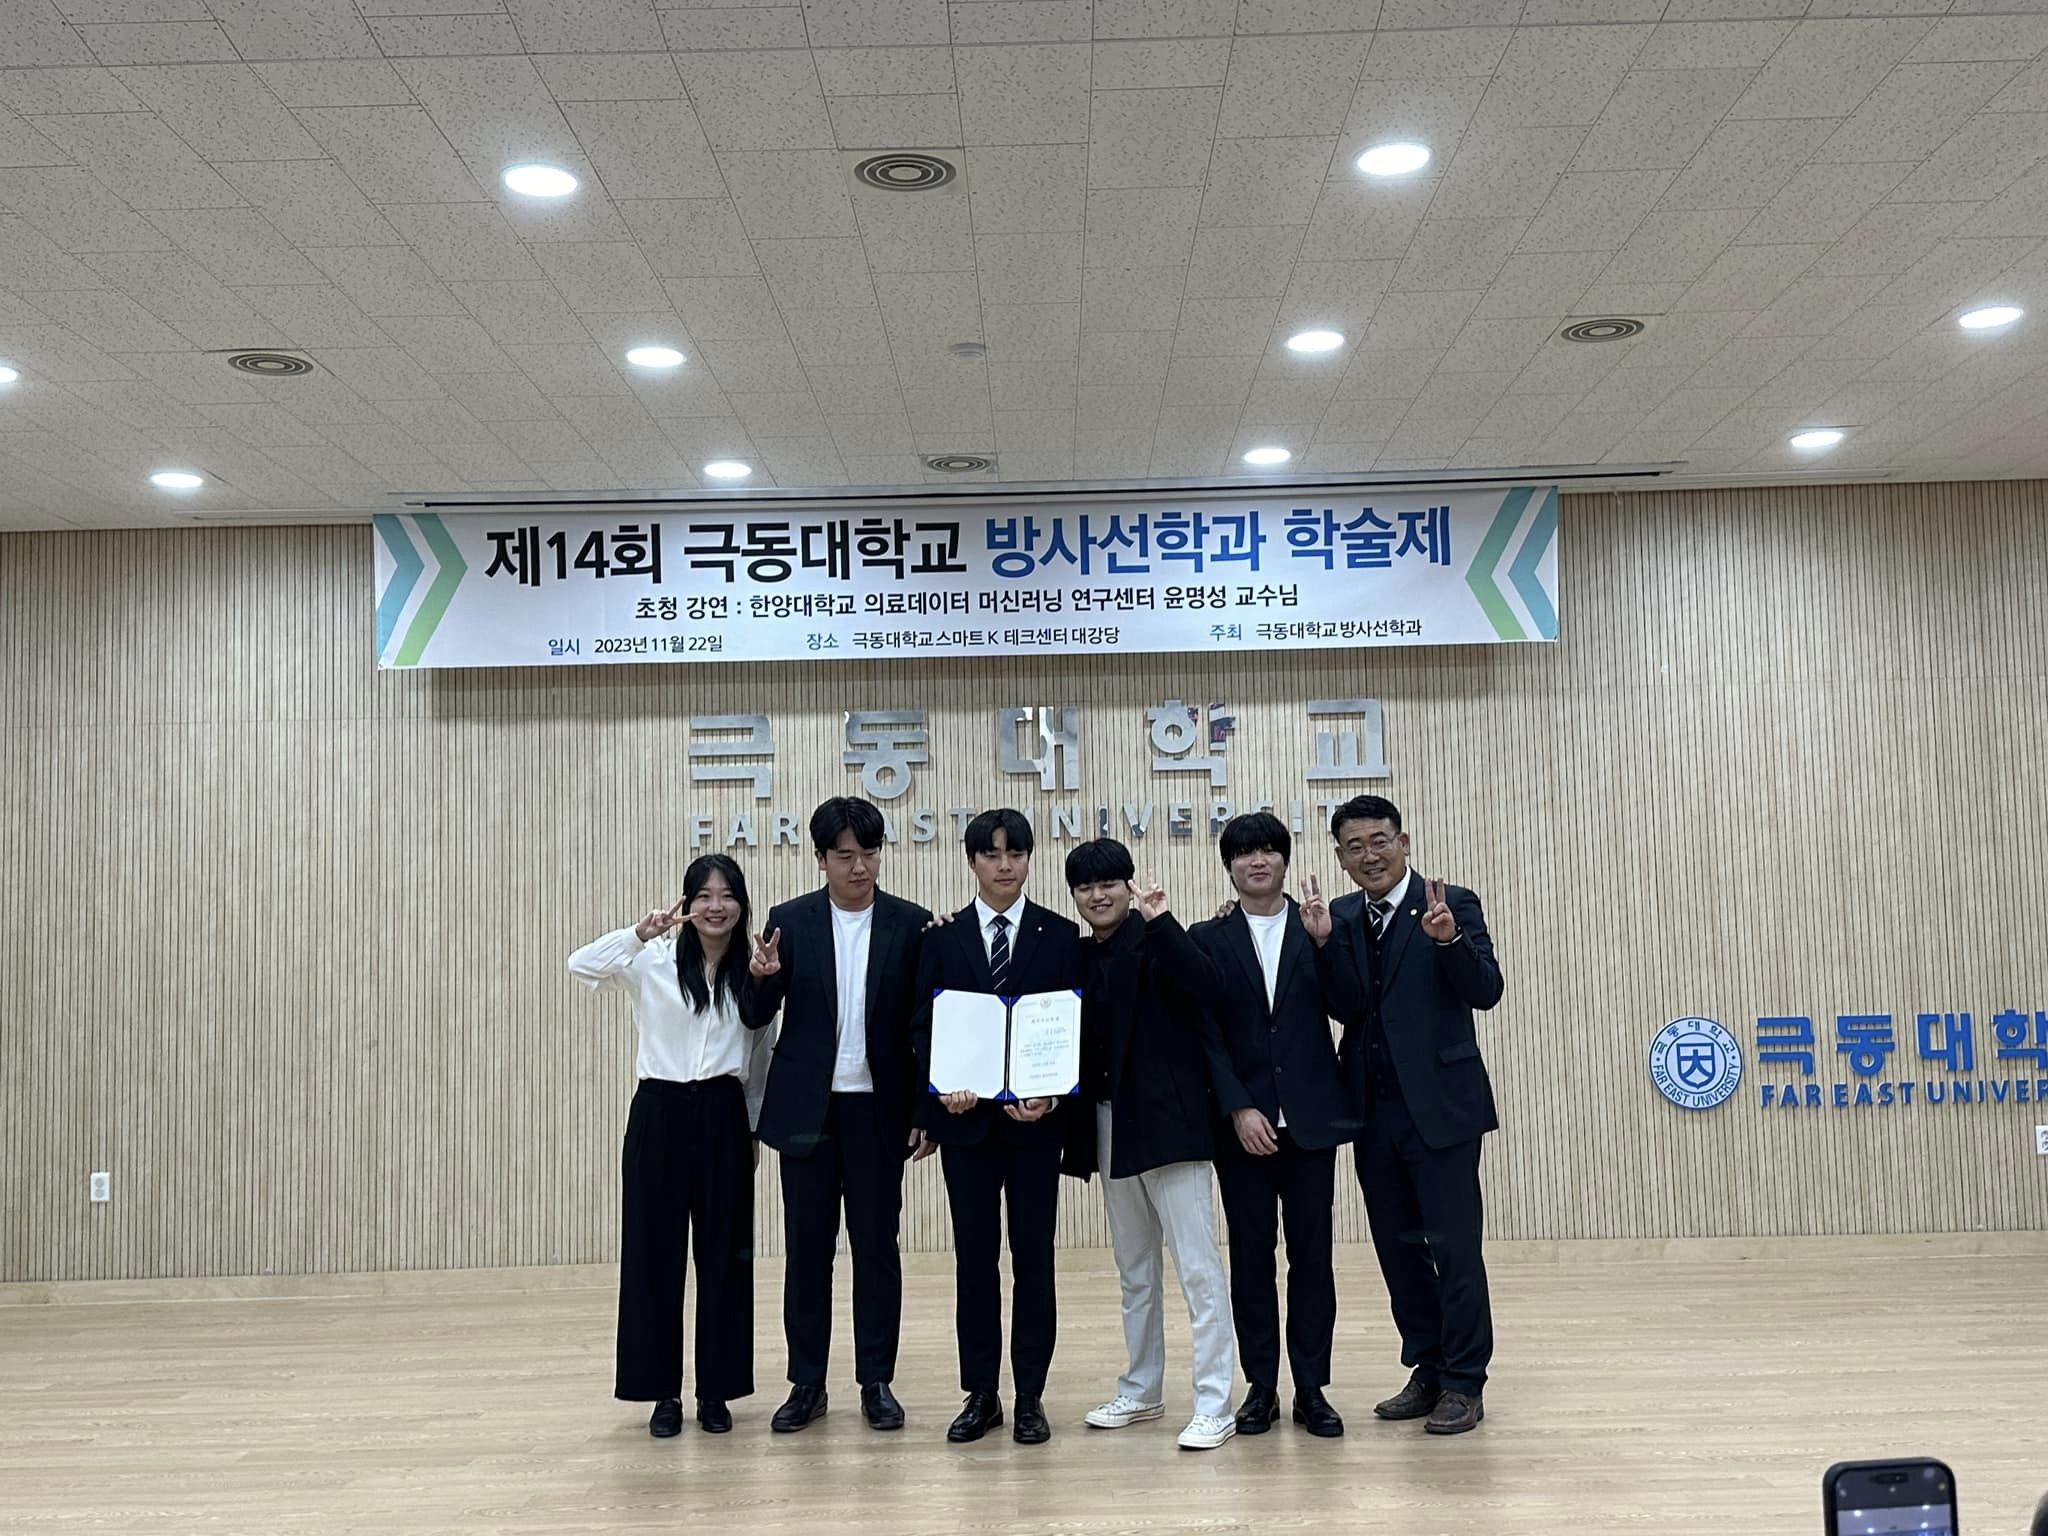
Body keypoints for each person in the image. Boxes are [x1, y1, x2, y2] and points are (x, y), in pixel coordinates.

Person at [1313, 794, 1504, 1437]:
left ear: (1404, 842)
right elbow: (1344, 1006)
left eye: (1380, 840)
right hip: (1370, 1112)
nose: (1370, 855)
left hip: (1442, 1107)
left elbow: (1486, 990)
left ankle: (1464, 1382)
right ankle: (1427, 1367)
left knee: (1455, 1248)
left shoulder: (1451, 903)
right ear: (1340, 857)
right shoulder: (1342, 916)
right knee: (1398, 1251)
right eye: (1355, 846)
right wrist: (1321, 945)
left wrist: (1450, 942)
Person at [566, 854, 773, 1438]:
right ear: (686, 903)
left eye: (726, 895)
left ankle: (716, 1391)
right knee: (653, 1256)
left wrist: (752, 1130)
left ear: (741, 905)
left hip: (723, 1114)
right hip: (658, 1111)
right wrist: (638, 933)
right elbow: (580, 965)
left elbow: (760, 1060)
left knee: (725, 1257)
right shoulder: (652, 961)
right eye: (703, 895)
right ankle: (661, 1392)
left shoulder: (754, 973)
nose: (715, 906)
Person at [746, 797, 932, 1433]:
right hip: (809, 1110)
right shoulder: (789, 922)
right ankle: (807, 1383)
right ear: (821, 859)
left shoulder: (911, 924)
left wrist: (923, 1109)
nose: (859, 868)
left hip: (878, 1110)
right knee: (807, 1251)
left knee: (877, 1248)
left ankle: (876, 1381)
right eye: (845, 856)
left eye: (869, 854)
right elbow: (756, 1014)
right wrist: (762, 978)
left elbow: (924, 1026)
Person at [911, 808, 1084, 1445]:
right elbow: (921, 1029)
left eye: (1015, 853)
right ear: (972, 862)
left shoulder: (1061, 935)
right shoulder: (942, 937)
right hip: (968, 1129)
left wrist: (1052, 1098)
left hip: (1036, 1129)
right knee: (975, 1263)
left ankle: (1031, 1395)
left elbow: (1075, 1032)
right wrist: (941, 1095)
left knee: (1035, 1260)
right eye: (991, 853)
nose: (1004, 865)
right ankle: (981, 1393)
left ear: (1030, 860)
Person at [1187, 811, 1362, 1439]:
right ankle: (1260, 1386)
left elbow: (1351, 1008)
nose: (1257, 860)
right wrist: (1238, 1106)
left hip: (1310, 1122)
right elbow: (1205, 1035)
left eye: (1268, 850)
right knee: (1252, 1258)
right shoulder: (1208, 937)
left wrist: (1326, 943)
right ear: (1229, 866)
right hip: (1244, 1128)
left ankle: (1312, 1387)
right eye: (1244, 852)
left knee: (1312, 1258)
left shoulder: (1322, 925)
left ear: (1285, 861)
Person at [1062, 839, 1238, 1451]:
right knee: (1135, 1269)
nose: (1098, 895)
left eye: (1109, 883)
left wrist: (1162, 920)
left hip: (1169, 1125)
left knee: (1197, 1268)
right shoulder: (1079, 954)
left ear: (1129, 886)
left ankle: (1214, 1402)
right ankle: (1141, 1389)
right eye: (1086, 887)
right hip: (1108, 1124)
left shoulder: (1161, 938)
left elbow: (1209, 988)